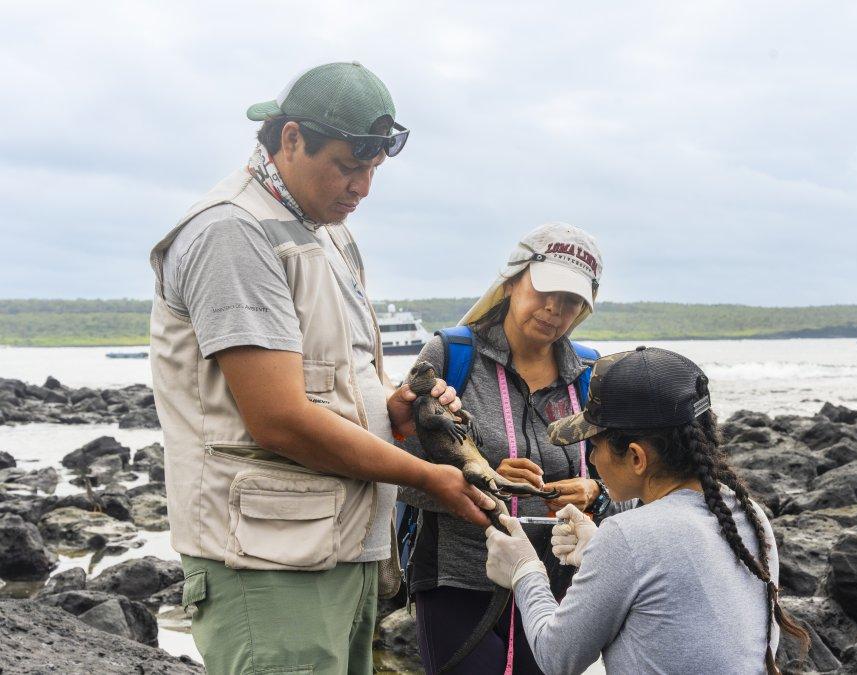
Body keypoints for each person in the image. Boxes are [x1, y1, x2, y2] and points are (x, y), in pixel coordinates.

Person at [148, 62, 492, 675]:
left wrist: (393, 407)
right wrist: (426, 477)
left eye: (372, 170)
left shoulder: (330, 234)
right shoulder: (233, 232)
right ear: (289, 138)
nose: (362, 187)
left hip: (340, 546)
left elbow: (339, 377)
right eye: (347, 165)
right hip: (265, 563)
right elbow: (279, 419)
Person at [483, 347, 812, 675]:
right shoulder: (749, 515)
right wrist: (597, 554)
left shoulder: (628, 536)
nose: (592, 461)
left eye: (595, 446)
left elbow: (557, 658)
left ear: (637, 457)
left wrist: (525, 571)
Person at [396, 222, 614, 674]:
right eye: (545, 291)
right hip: (456, 580)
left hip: (558, 586)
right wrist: (479, 472)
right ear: (512, 280)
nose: (555, 309)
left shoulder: (592, 374)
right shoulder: (450, 356)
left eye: (572, 300)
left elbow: (632, 478)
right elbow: (398, 473)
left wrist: (596, 494)